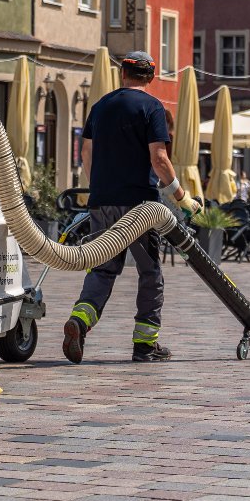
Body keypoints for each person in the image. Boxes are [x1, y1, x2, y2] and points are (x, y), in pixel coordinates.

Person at [63, 52, 200, 364]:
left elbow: (86, 152)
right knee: (150, 272)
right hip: (140, 207)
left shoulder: (100, 107)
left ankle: (80, 322)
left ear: (122, 74)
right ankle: (144, 344)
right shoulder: (152, 107)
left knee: (102, 267)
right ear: (150, 77)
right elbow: (159, 159)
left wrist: (98, 184)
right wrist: (181, 197)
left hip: (102, 201)